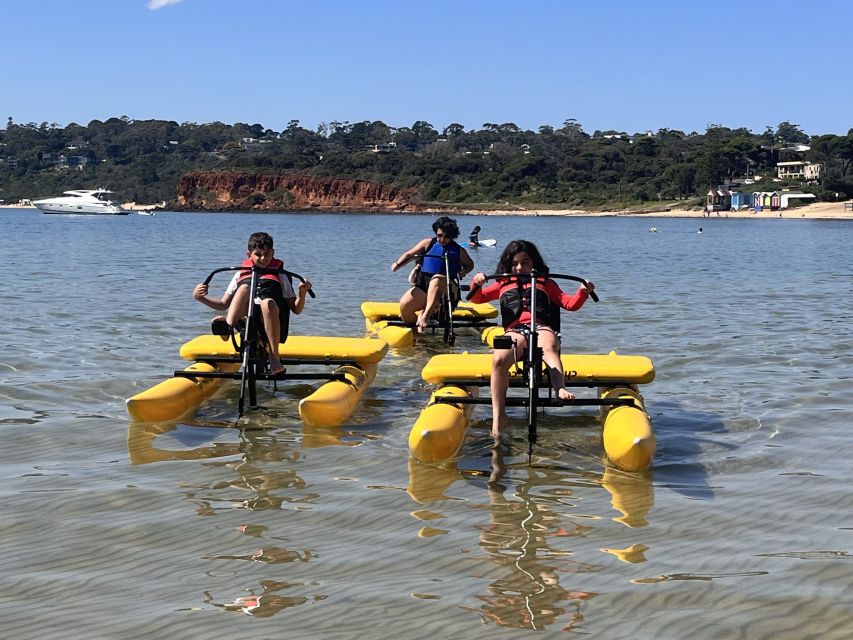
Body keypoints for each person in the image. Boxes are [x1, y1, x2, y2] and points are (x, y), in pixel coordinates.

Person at [468, 239, 595, 439]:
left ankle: (560, 387)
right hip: (515, 331)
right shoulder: (502, 283)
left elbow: (570, 304)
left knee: (548, 346)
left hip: (541, 327)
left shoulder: (546, 283)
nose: (520, 268)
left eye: (525, 262)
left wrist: (583, 291)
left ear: (534, 262)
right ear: (509, 265)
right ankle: (499, 415)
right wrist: (477, 281)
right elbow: (477, 298)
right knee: (499, 359)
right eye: (515, 263)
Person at [193, 232, 311, 374]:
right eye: (258, 254)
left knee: (267, 303)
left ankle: (274, 356)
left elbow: (296, 309)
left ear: (273, 253)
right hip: (245, 321)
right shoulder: (240, 275)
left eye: (267, 254)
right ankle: (227, 329)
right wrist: (201, 298)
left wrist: (302, 293)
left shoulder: (281, 275)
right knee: (244, 288)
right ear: (249, 255)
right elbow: (223, 304)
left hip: (270, 321)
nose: (263, 258)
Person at [391, 216, 474, 333]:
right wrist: (397, 264)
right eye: (440, 235)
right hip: (424, 284)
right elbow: (409, 254)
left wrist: (463, 272)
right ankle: (416, 336)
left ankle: (425, 316)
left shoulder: (458, 250)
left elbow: (470, 264)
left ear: (452, 236)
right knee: (405, 307)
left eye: (446, 236)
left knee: (437, 279)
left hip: (447, 289)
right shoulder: (428, 243)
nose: (442, 239)